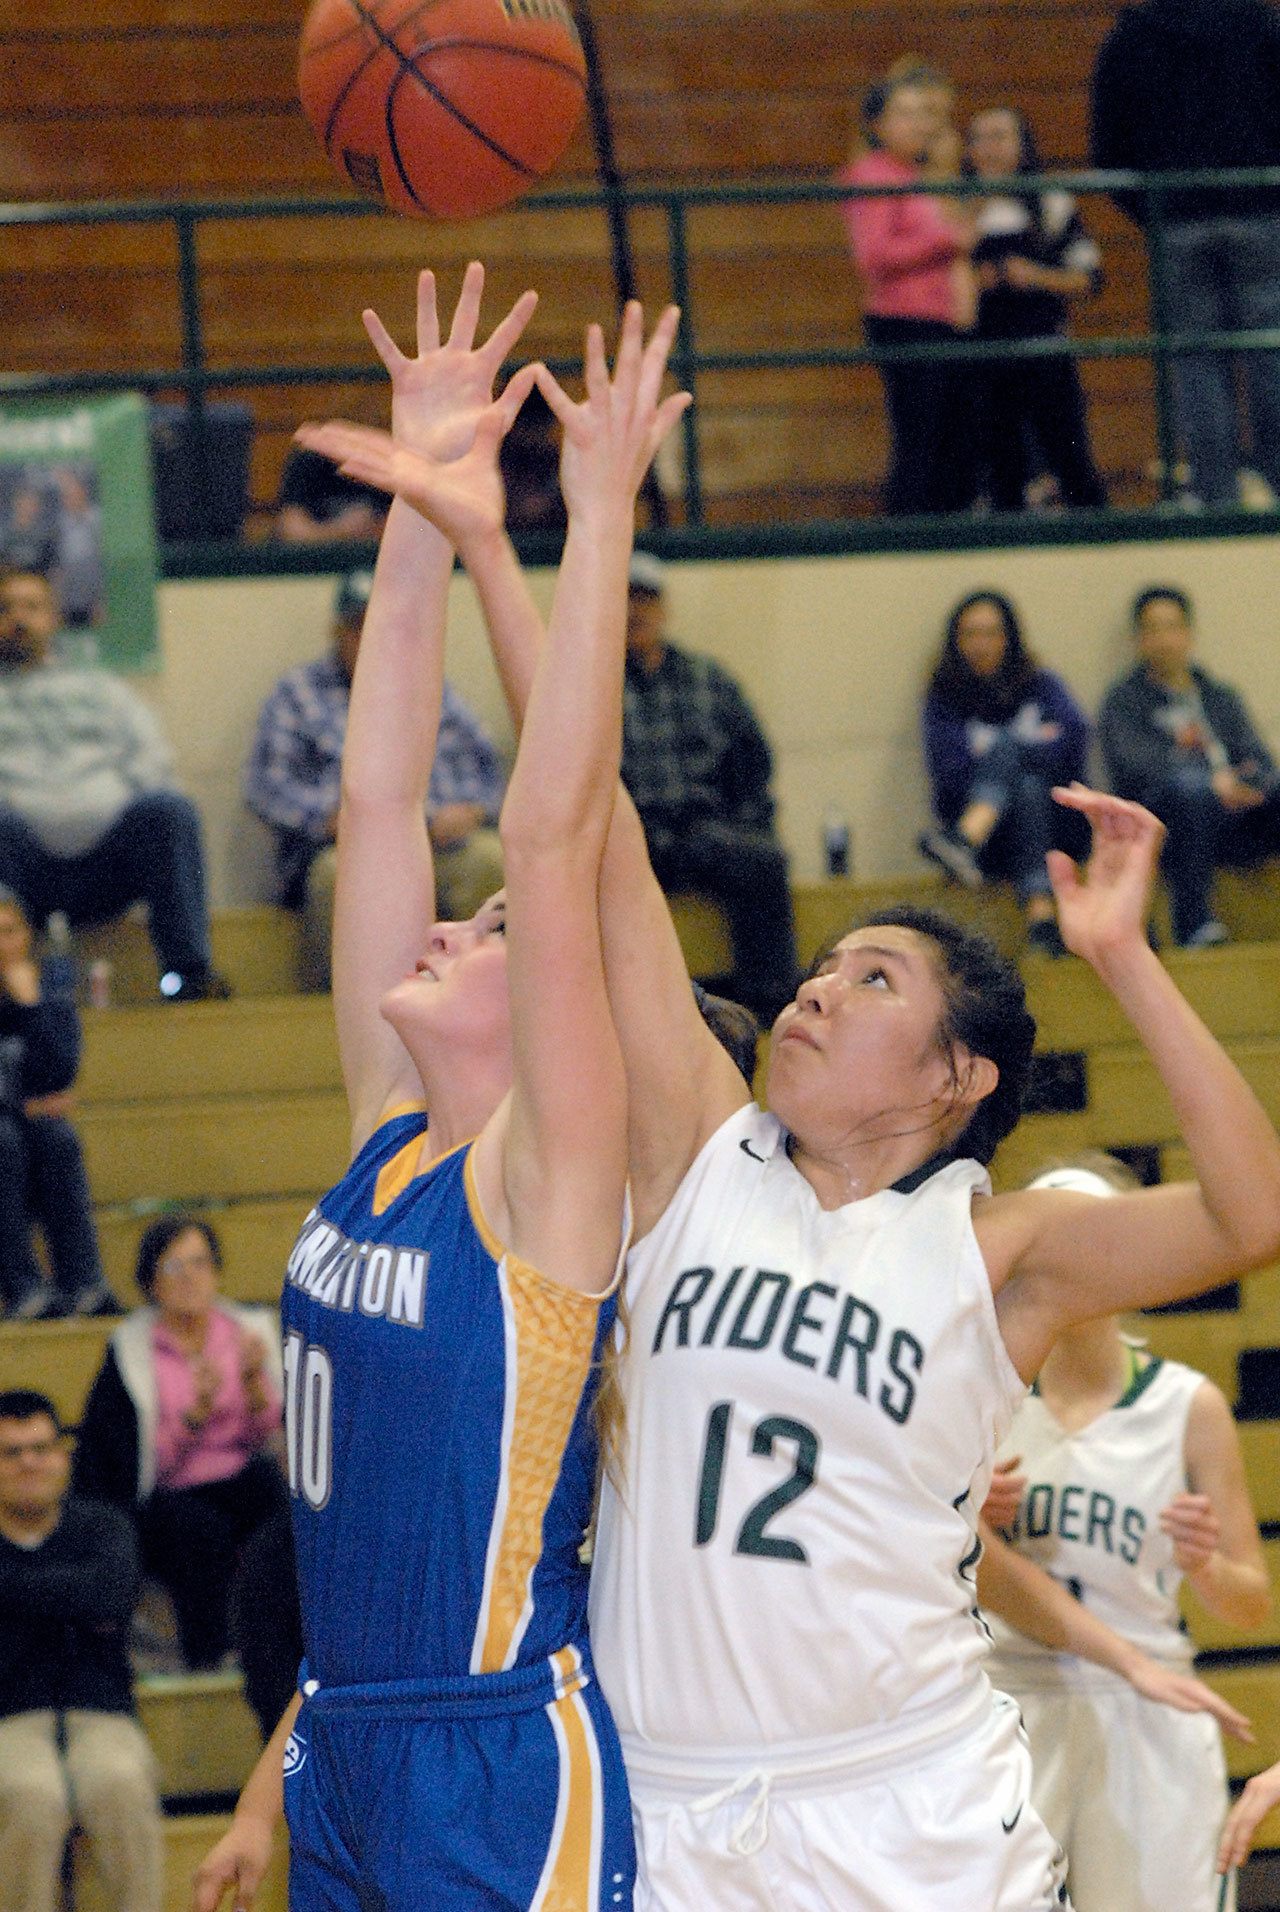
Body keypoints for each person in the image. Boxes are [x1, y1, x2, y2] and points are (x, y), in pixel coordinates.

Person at [340, 313, 1280, 1905]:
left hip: (907, 1804)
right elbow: (589, 828)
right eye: (824, 965)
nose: (821, 989)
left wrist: (1123, 956)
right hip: (668, 1801)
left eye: (875, 985)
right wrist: (517, 546)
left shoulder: (1004, 1250)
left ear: (958, 1079)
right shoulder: (701, 1150)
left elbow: (1253, 1217)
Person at [192, 265, 689, 1912]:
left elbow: (548, 832)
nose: (448, 925)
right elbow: (379, 795)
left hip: (492, 1752)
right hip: (343, 1730)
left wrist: (581, 520)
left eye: (482, 934)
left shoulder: (548, 1184)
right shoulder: (384, 1135)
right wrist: (420, 497)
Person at [980, 1154, 1269, 1911]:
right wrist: (968, 1526)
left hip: (1146, 1698)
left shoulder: (1188, 1405)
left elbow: (1250, 1606)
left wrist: (1205, 1568)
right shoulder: (979, 1392)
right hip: (1006, 1697)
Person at [244, 568, 506, 990]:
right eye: (358, 626)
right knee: (335, 878)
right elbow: (266, 787)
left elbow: (488, 771)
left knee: (491, 861)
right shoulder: (298, 695)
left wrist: (472, 810)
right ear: (337, 631)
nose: (370, 637)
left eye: (381, 625)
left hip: (438, 841)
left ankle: (478, 1000)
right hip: (348, 847)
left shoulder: (432, 688)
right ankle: (350, 1010)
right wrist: (328, 819)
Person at [0, 567, 230, 1001]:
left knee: (169, 810)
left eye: (31, 607)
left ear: (53, 619)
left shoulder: (103, 691)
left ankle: (188, 976)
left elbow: (152, 764)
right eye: (5, 608)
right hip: (20, 870)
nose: (18, 618)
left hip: (107, 866)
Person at [73, 1213, 286, 1670]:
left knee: (281, 1513)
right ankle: (212, 1653)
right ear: (151, 1280)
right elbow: (136, 1464)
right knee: (198, 1531)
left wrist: (252, 1386)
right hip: (171, 1490)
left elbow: (265, 1433)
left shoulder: (246, 1331)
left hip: (238, 1472)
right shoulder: (132, 1348)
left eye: (200, 1263)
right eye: (174, 1267)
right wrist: (194, 1417)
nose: (190, 1278)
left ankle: (283, 1647)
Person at [1090, 0, 1280, 509]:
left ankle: (1217, 496)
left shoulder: (1131, 36)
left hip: (1176, 218)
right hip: (1261, 210)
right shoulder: (1261, 24)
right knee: (1270, 350)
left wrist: (1153, 212)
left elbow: (1108, 147)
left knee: (1197, 363)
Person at [0, 1387, 163, 1912]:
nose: (29, 1463)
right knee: (31, 1796)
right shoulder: (96, 1541)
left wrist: (15, 1590)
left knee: (120, 1782)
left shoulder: (103, 1525)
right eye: (11, 1452)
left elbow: (111, 1594)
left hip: (102, 1711)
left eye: (41, 1448)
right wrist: (70, 1595)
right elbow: (90, 1595)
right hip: (8, 1717)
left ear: (62, 1453)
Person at [620, 551, 798, 1021]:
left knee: (762, 860)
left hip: (703, 834)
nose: (634, 611)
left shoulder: (708, 679)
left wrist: (744, 823)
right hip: (625, 839)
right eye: (624, 598)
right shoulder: (588, 683)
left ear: (663, 608)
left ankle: (768, 1013)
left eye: (645, 598)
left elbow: (753, 765)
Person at [1099, 584, 1280, 947]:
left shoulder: (1219, 697)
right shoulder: (1125, 700)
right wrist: (1209, 782)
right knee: (1192, 789)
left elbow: (1259, 759)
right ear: (1139, 639)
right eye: (1153, 629)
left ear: (1188, 634)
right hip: (1167, 823)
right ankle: (1194, 922)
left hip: (1232, 820)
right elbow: (1131, 766)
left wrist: (1245, 783)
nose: (1165, 639)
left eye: (1173, 627)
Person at [918, 590, 1090, 954]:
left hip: (1058, 828)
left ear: (1009, 638)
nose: (981, 644)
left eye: (991, 633)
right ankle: (1040, 917)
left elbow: (1073, 746)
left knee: (1017, 762)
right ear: (956, 640)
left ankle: (964, 838)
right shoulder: (944, 698)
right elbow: (950, 777)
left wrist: (1008, 753)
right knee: (1025, 783)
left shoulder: (1041, 685)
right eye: (970, 634)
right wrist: (1033, 750)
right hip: (995, 843)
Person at [839, 72, 980, 514]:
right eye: (904, 113)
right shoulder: (871, 175)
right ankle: (909, 529)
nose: (918, 123)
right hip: (905, 319)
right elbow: (874, 255)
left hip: (939, 319)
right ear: (876, 124)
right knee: (921, 434)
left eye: (922, 114)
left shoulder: (917, 175)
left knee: (951, 436)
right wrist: (948, 240)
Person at [964, 108, 1108, 513]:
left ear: (1022, 145)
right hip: (981, 353)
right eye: (980, 138)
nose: (989, 148)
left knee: (1069, 452)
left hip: (1043, 346)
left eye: (1000, 136)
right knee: (999, 462)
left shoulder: (1050, 201)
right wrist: (976, 279)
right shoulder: (955, 204)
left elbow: (1089, 276)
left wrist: (1036, 276)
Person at [0, 885, 114, 1320]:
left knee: (58, 1137)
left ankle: (82, 1281)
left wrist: (29, 1002)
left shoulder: (47, 986)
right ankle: (21, 1286)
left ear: (27, 934)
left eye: (10, 931)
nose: (3, 945)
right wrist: (16, 1105)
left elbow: (59, 1072)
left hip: (30, 1129)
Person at [272, 445, 388, 544]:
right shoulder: (307, 461)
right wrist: (343, 530)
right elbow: (293, 531)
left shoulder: (379, 462)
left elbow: (389, 533)